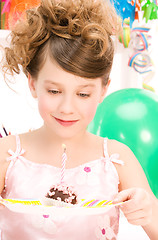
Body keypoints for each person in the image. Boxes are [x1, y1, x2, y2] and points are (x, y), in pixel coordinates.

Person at [0, 0, 157, 239]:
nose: (67, 108)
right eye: (54, 91)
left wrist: (149, 212)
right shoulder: (8, 155)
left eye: (83, 94)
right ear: (33, 84)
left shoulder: (117, 158)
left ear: (104, 90)